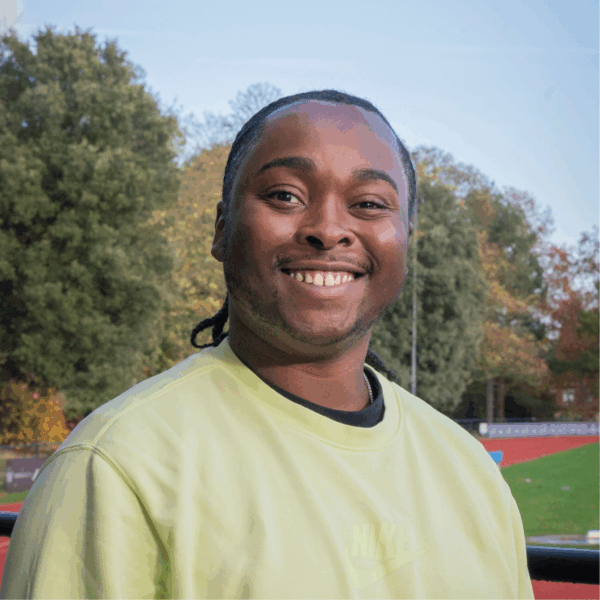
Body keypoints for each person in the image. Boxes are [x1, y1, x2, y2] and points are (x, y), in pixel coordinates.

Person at [0, 90, 534, 599]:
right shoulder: (114, 467)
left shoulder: (472, 473)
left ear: (405, 241)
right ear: (222, 229)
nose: (328, 229)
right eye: (285, 195)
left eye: (370, 203)